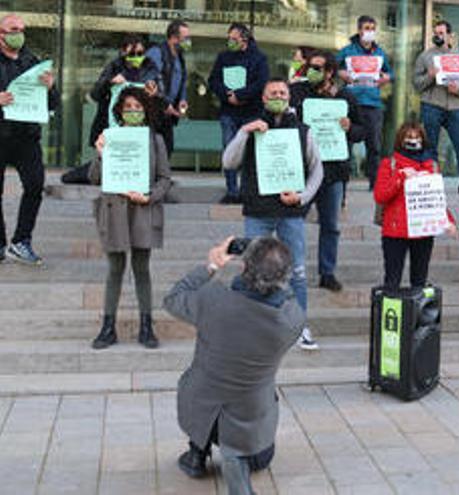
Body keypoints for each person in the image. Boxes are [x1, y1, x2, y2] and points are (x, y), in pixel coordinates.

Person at [165, 237, 303, 495]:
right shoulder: (290, 321)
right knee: (261, 459)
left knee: (211, 393)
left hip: (198, 407)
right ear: (285, 276)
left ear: (243, 267)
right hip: (250, 422)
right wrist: (273, 267)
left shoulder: (213, 299)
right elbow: (288, 294)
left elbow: (173, 298)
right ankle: (235, 459)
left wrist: (212, 265)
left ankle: (197, 454)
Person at [223, 78, 324, 351]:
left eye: (282, 92)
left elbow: (317, 171)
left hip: (291, 211)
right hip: (258, 210)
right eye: (272, 93)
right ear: (264, 99)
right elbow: (228, 162)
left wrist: (301, 196)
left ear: (289, 97)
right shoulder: (253, 128)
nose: (278, 96)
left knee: (298, 272)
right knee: (253, 271)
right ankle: (255, 327)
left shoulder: (304, 131)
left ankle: (299, 326)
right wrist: (244, 132)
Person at [88, 86, 172, 350]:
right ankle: (108, 326)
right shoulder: (109, 137)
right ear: (119, 111)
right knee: (114, 269)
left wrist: (150, 196)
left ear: (145, 110)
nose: (133, 112)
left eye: (138, 107)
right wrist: (100, 153)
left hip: (142, 209)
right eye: (128, 108)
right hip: (114, 209)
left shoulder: (155, 140)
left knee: (141, 268)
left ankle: (146, 325)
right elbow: (93, 177)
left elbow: (165, 179)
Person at [289, 50, 365, 293]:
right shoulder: (298, 92)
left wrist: (350, 126)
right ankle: (292, 270)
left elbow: (362, 131)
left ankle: (327, 272)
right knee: (292, 222)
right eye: (310, 66)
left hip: (333, 170)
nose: (312, 70)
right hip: (301, 169)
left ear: (330, 72)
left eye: (318, 67)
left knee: (330, 224)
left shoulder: (346, 97)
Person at [0, 13, 58, 265]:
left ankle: (21, 240)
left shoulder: (32, 61)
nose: (18, 34)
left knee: (35, 186)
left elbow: (52, 104)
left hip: (27, 136)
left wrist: (50, 87)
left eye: (22, 29)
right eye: (13, 29)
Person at [374, 122, 457, 289]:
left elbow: (436, 199)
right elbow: (380, 196)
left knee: (419, 281)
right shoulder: (389, 164)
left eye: (418, 137)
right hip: (395, 231)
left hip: (423, 231)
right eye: (409, 137)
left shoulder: (431, 166)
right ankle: (393, 315)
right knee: (392, 282)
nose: (414, 141)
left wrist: (448, 221)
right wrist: (400, 178)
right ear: (400, 140)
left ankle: (417, 315)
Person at [208, 23, 269, 204]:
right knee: (230, 150)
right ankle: (232, 191)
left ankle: (248, 190)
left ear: (245, 39)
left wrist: (241, 96)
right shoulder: (223, 57)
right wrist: (228, 96)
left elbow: (261, 83)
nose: (230, 42)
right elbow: (213, 80)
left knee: (250, 153)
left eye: (234, 39)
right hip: (229, 112)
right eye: (229, 38)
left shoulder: (259, 58)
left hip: (251, 112)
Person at [337, 15, 393, 188]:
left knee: (374, 146)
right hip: (351, 102)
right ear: (359, 30)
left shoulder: (380, 52)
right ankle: (343, 183)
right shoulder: (347, 51)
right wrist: (341, 73)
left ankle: (374, 183)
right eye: (366, 28)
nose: (369, 31)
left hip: (373, 104)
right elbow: (332, 67)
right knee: (346, 144)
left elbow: (390, 73)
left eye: (372, 28)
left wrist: (386, 78)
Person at [413, 20, 459, 175]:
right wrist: (429, 76)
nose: (437, 36)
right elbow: (417, 84)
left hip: (455, 106)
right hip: (431, 105)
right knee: (430, 145)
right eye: (435, 33)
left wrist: (457, 89)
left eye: (441, 33)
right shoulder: (424, 57)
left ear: (449, 36)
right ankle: (432, 179)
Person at [89, 34, 161, 152]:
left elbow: (163, 98)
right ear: (123, 52)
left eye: (140, 53)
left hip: (143, 129)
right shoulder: (114, 67)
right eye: (132, 54)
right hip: (112, 126)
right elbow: (95, 94)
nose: (136, 57)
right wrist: (110, 82)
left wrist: (155, 92)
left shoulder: (150, 68)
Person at [146, 20, 190, 158]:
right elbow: (151, 82)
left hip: (168, 113)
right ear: (173, 37)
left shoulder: (180, 57)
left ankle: (161, 177)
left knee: (167, 148)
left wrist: (182, 100)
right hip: (154, 110)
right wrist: (164, 103)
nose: (188, 41)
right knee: (153, 149)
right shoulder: (156, 53)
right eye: (186, 38)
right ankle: (155, 178)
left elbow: (182, 81)